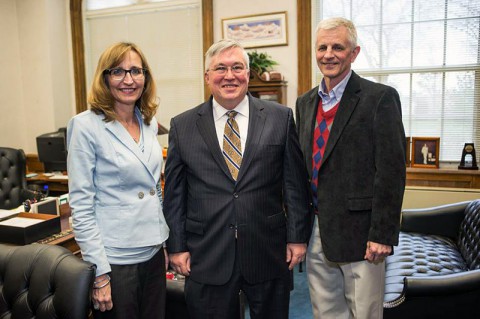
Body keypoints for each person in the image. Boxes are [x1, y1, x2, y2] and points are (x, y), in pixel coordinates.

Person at [163, 39, 312, 319]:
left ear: (248, 74)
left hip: (267, 249)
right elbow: (174, 195)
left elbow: (294, 185)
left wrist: (297, 238)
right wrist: (177, 246)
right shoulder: (182, 126)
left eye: (237, 67)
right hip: (207, 253)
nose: (229, 76)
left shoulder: (280, 118)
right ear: (207, 76)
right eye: (220, 68)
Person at [295, 17, 406, 319]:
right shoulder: (304, 103)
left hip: (362, 235)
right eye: (322, 47)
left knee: (364, 314)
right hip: (317, 230)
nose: (328, 54)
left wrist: (382, 234)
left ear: (354, 53)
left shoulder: (379, 98)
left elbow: (391, 171)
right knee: (326, 312)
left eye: (337, 47)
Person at [67, 42, 169, 319]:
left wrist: (162, 244)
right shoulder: (85, 126)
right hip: (115, 259)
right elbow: (82, 206)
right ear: (105, 78)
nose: (128, 80)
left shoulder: (148, 121)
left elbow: (154, 190)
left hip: (152, 252)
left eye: (136, 71)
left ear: (145, 77)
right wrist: (99, 274)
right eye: (118, 71)